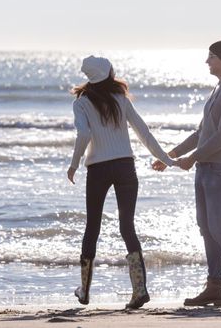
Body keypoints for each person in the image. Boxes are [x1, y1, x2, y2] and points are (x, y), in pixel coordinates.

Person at [153, 39, 221, 306]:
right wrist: (172, 155)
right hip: (205, 167)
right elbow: (202, 133)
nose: (207, 61)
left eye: (210, 57)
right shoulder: (219, 89)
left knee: (219, 228)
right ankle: (215, 286)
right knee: (207, 228)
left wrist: (193, 158)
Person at [67, 56, 176, 309]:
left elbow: (84, 133)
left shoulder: (81, 103)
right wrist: (166, 159)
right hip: (126, 167)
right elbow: (143, 132)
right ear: (108, 73)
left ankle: (84, 291)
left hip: (98, 169)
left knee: (92, 226)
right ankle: (139, 291)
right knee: (127, 227)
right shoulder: (121, 99)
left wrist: (73, 164)